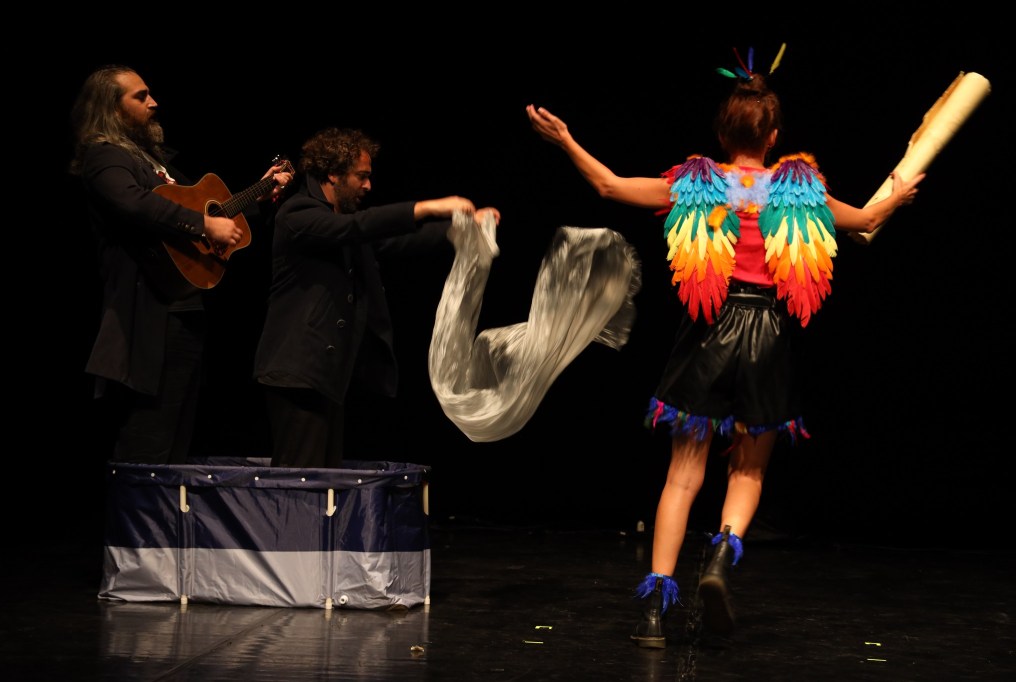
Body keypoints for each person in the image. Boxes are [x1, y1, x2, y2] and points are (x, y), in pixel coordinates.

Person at [526, 47, 924, 645]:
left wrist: (564, 139)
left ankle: (654, 614)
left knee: (682, 476)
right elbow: (867, 220)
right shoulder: (799, 190)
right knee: (748, 468)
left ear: (721, 133)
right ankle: (720, 555)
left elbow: (609, 186)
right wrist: (898, 192)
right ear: (774, 137)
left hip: (708, 330)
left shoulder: (696, 185)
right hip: (768, 335)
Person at [70, 64, 293, 465]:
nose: (154, 102)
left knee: (176, 442)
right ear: (112, 107)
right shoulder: (105, 157)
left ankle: (164, 509)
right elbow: (134, 203)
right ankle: (136, 509)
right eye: (141, 96)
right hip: (147, 317)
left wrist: (257, 195)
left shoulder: (156, 162)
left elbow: (208, 209)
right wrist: (204, 224)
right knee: (148, 443)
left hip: (184, 311)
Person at [253, 126, 500, 469]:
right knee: (301, 479)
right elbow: (355, 228)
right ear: (333, 174)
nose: (368, 185)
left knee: (324, 478)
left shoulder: (340, 217)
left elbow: (392, 240)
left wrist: (462, 230)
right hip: (297, 372)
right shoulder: (297, 213)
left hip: (326, 374)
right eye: (362, 176)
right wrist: (427, 207)